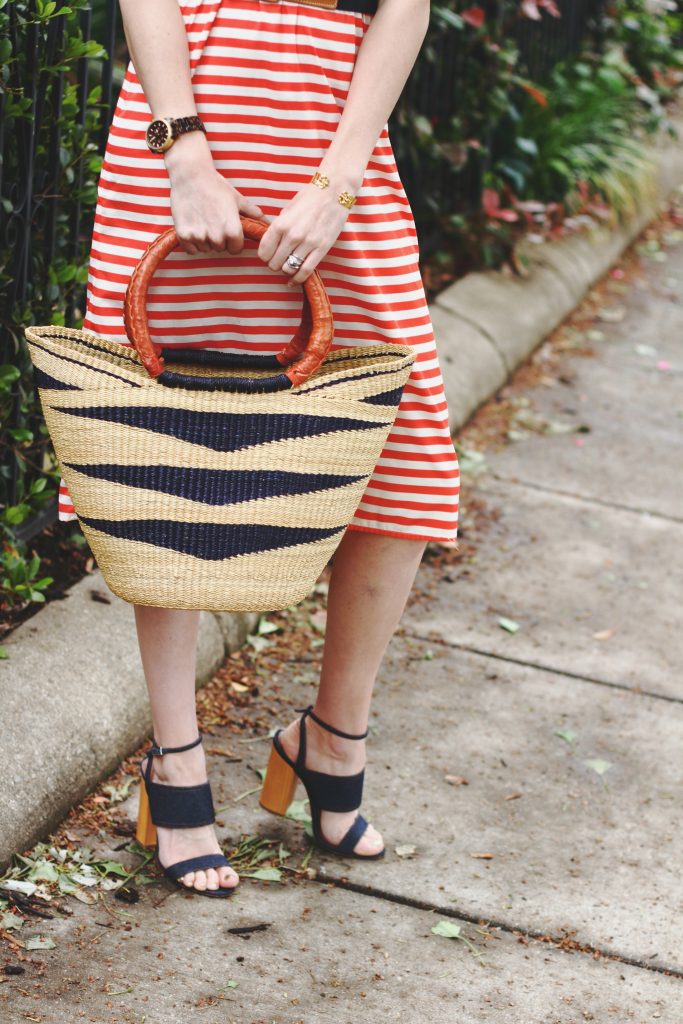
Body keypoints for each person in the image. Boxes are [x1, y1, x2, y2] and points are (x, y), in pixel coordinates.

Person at [60, 0, 460, 895]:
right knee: (161, 447)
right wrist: (185, 149)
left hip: (331, 139)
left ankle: (333, 735)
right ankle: (175, 762)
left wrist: (339, 179)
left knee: (404, 452)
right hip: (186, 124)